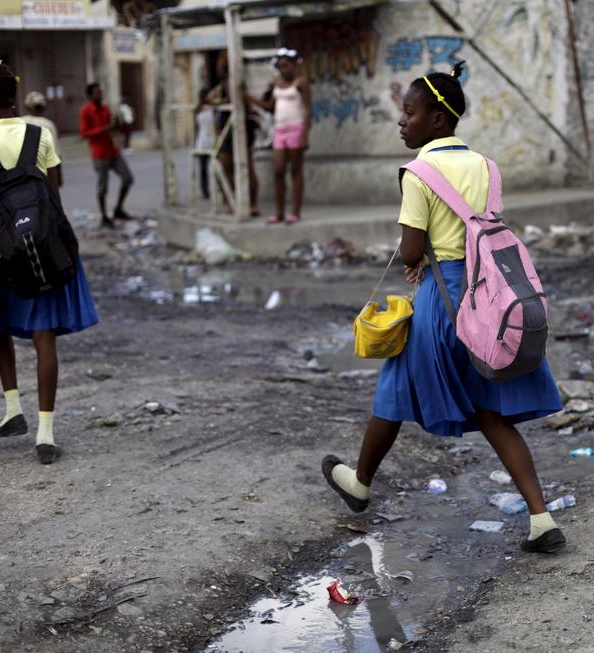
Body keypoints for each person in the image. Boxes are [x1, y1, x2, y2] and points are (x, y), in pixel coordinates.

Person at [320, 62, 567, 553]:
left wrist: (418, 260)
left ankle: (360, 483)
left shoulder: (418, 174)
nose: (401, 122)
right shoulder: (486, 167)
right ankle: (542, 520)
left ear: (437, 119)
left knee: (393, 390)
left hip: (443, 301)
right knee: (495, 414)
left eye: (409, 113)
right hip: (490, 299)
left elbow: (411, 252)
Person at [0, 60, 99, 465]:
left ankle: (12, 408)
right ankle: (46, 433)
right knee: (44, 336)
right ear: (15, 98)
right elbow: (54, 197)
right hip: (42, 246)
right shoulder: (40, 134)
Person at [250, 48, 311, 224]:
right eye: (280, 66)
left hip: (296, 128)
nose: (283, 69)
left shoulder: (301, 83)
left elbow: (308, 110)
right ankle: (279, 213)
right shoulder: (277, 83)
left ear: (293, 66)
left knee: (295, 171)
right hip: (279, 130)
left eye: (286, 66)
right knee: (278, 171)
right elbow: (270, 106)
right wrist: (251, 99)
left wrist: (305, 135)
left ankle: (295, 212)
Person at [79, 82, 134, 228]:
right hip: (99, 153)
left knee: (128, 179)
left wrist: (117, 126)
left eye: (100, 91)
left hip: (112, 150)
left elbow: (112, 128)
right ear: (90, 95)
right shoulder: (85, 111)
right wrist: (103, 129)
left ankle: (118, 209)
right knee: (103, 187)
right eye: (97, 92)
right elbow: (84, 133)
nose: (100, 94)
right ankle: (104, 216)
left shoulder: (105, 109)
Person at [208, 73, 259, 217]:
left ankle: (252, 203)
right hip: (226, 130)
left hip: (242, 128)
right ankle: (231, 199)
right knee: (225, 166)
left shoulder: (241, 87)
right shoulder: (223, 88)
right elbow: (210, 99)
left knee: (247, 166)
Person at [21, 91, 62, 187]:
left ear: (27, 107)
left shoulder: (20, 121)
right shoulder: (48, 124)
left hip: (24, 173)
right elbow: (56, 153)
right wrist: (59, 175)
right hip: (44, 173)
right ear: (44, 107)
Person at [194, 88, 214, 200]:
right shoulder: (200, 109)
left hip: (210, 140)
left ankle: (214, 190)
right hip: (203, 141)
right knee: (203, 169)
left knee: (212, 168)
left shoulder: (211, 108)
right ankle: (205, 191)